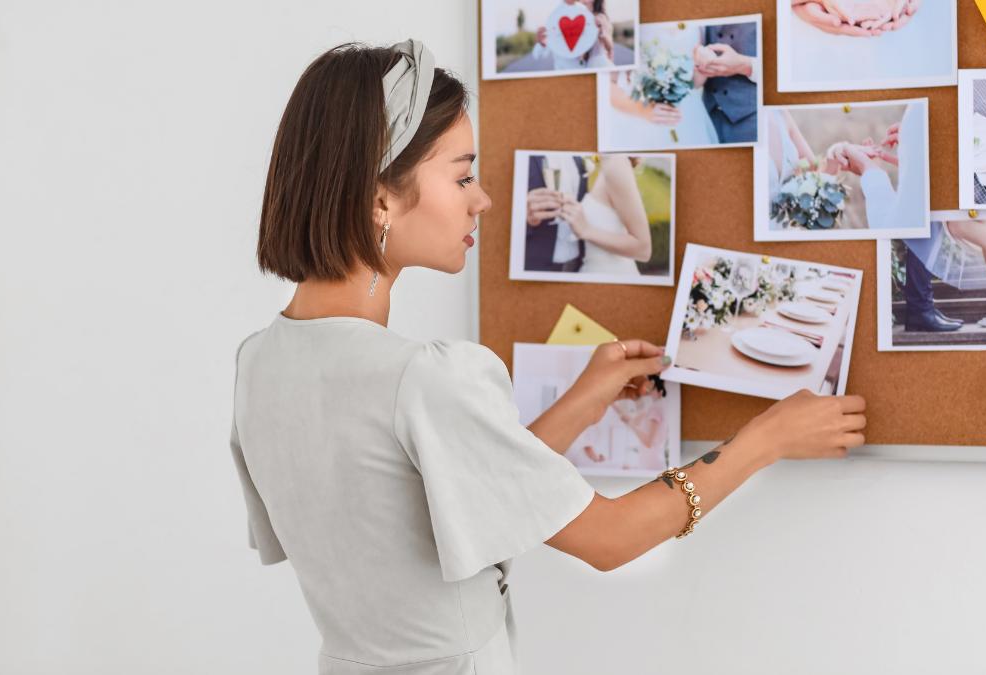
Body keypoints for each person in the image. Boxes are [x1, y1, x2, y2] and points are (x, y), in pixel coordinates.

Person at [230, 39, 867, 674]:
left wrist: (583, 402)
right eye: (462, 175)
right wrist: (768, 437)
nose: (482, 199)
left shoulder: (258, 364)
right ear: (380, 199)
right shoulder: (421, 378)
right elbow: (611, 538)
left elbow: (458, 487)